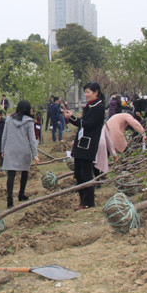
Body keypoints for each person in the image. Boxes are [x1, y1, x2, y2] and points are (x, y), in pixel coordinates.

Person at [63, 82, 106, 211]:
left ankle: (88, 202)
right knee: (78, 174)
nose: (86, 95)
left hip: (88, 146)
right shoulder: (89, 107)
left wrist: (73, 117)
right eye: (85, 92)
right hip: (80, 144)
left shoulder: (99, 108)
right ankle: (82, 200)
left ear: (96, 92)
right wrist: (71, 118)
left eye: (88, 92)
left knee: (86, 174)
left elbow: (88, 124)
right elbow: (81, 123)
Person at [1, 100, 40, 208]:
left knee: (11, 175)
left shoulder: (9, 119)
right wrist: (35, 155)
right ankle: (21, 194)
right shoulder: (29, 121)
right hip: (23, 149)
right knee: (24, 172)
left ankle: (9, 200)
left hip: (10, 149)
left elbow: (4, 136)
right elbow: (32, 139)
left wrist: (3, 150)